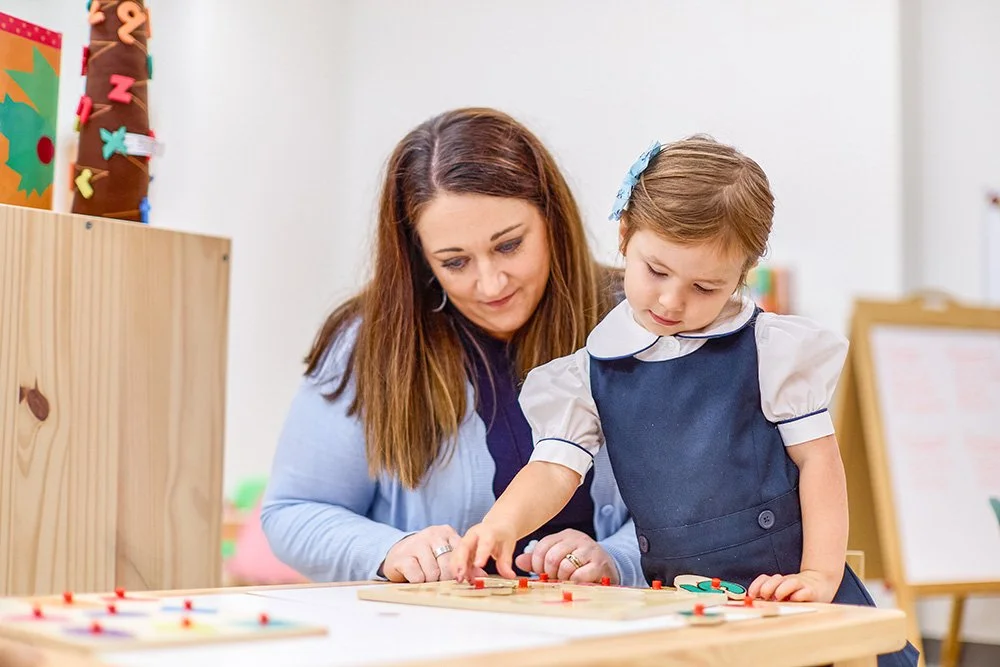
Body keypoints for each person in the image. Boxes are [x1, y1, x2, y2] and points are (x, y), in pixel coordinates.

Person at [452, 135, 918, 666]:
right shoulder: (589, 370)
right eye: (656, 272)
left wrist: (818, 574)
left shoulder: (771, 350)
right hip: (683, 603)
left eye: (705, 287)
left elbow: (818, 461)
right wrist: (501, 525)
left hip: (787, 592)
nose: (673, 301)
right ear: (625, 236)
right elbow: (555, 468)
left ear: (739, 278)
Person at [260, 107, 644, 587]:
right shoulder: (368, 343)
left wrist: (618, 558)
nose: (490, 283)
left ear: (551, 219)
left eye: (508, 246)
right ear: (421, 259)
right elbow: (293, 511)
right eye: (455, 261)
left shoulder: (639, 322)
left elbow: (705, 501)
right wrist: (390, 550)